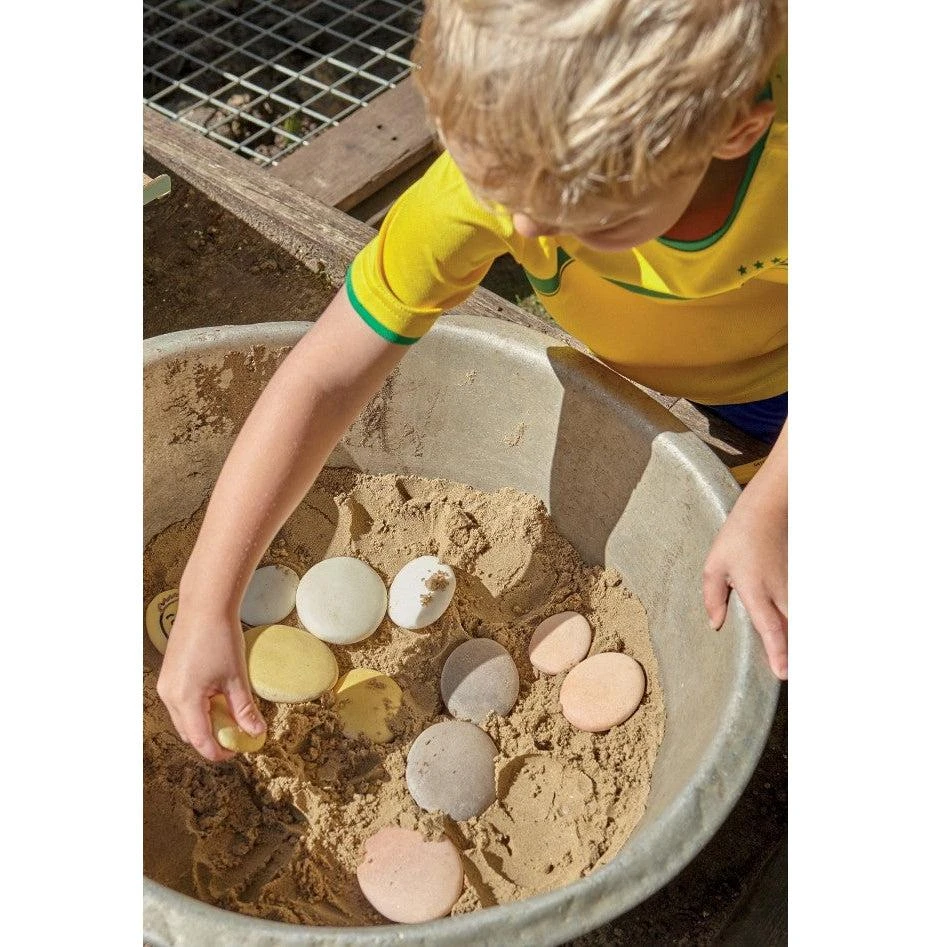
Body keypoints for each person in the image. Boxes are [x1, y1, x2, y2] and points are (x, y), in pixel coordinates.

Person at [158, 0, 788, 762]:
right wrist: (205, 598)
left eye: (586, 215)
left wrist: (775, 500)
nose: (522, 232)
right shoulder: (495, 184)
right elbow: (322, 377)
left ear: (734, 131)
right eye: (502, 192)